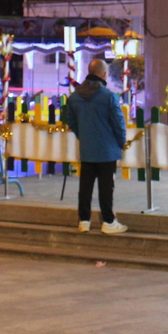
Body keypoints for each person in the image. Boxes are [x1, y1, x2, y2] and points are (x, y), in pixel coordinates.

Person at [63, 58, 129, 235]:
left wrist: (83, 136)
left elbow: (71, 121)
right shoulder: (108, 97)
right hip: (107, 150)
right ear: (104, 74)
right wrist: (120, 143)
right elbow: (118, 123)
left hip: (87, 149)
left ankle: (84, 221)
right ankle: (108, 221)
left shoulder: (75, 97)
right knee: (106, 187)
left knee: (85, 186)